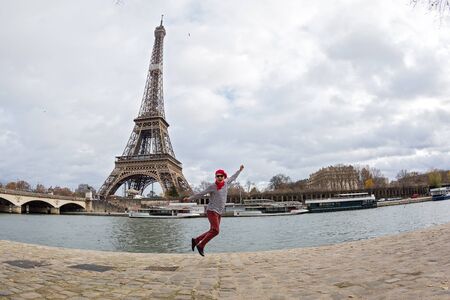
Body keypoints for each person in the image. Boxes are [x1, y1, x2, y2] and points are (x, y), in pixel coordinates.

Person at [184, 165, 244, 256]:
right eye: (217, 176)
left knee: (213, 230)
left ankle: (196, 240)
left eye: (221, 176)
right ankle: (201, 245)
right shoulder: (213, 186)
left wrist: (239, 170)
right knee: (216, 231)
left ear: (224, 177)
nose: (219, 177)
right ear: (215, 177)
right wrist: (189, 198)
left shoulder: (226, 183)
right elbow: (201, 194)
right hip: (211, 210)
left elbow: (233, 177)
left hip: (219, 212)